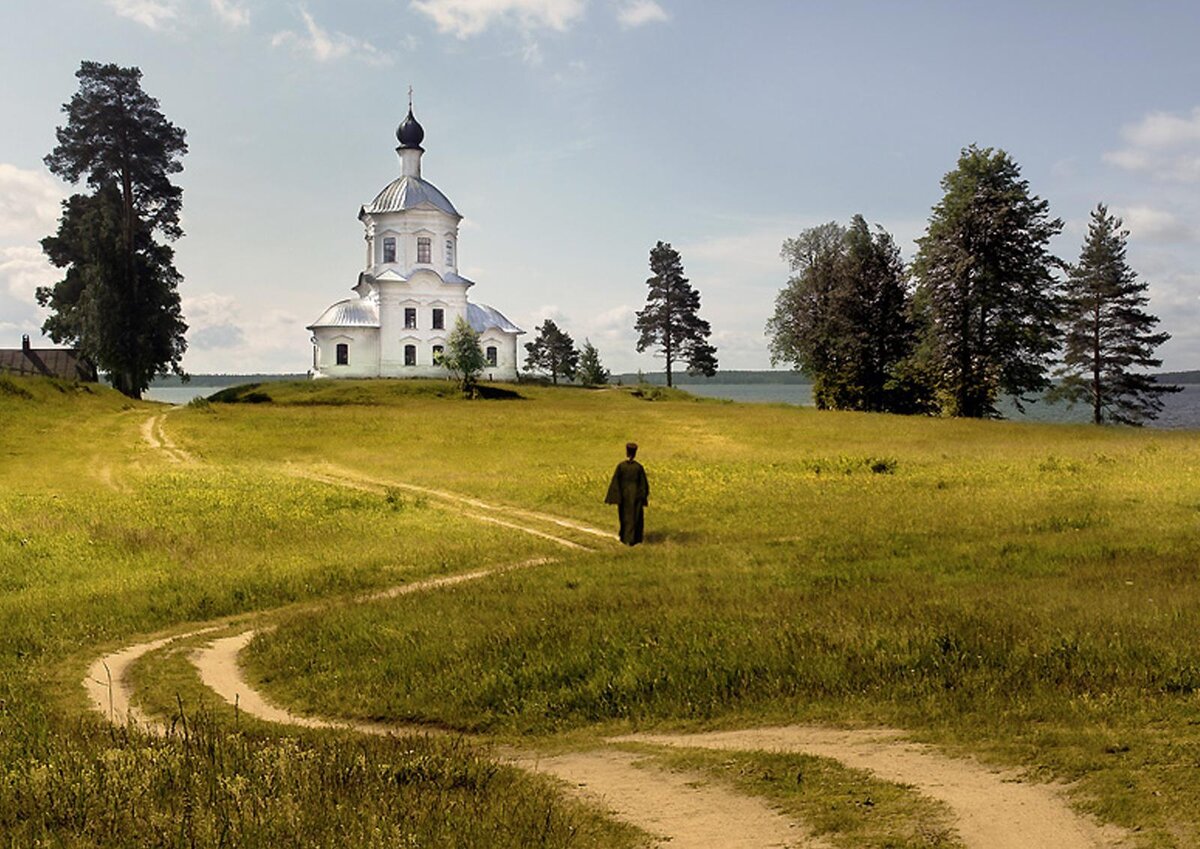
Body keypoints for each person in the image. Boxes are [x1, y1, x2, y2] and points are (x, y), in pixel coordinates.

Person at [605, 442, 650, 546]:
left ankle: (625, 537)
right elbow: (644, 484)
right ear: (635, 453)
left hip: (624, 495)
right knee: (635, 517)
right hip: (636, 496)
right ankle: (634, 539)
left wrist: (616, 496)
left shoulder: (621, 466)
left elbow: (615, 481)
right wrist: (643, 496)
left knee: (624, 517)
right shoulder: (639, 467)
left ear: (627, 452)